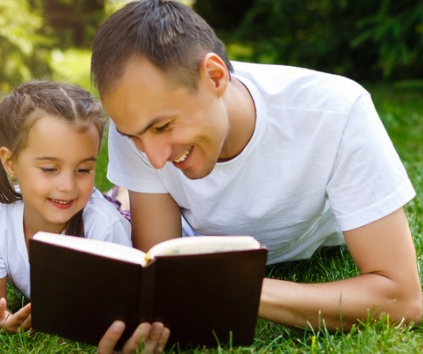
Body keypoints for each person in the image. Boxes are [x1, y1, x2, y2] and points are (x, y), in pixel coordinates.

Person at [90, 0, 422, 352]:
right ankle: (123, 195)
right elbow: (161, 279)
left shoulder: (336, 112)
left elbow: (403, 299)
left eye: (164, 126)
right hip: (195, 233)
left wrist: (235, 287)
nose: (154, 158)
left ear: (215, 77)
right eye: (135, 137)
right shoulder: (138, 124)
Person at [0, 80, 132, 333]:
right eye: (50, 169)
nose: (67, 185)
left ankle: (123, 192)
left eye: (83, 169)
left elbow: (123, 309)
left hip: (112, 213)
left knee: (122, 207)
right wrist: (3, 321)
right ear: (10, 163)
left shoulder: (105, 228)